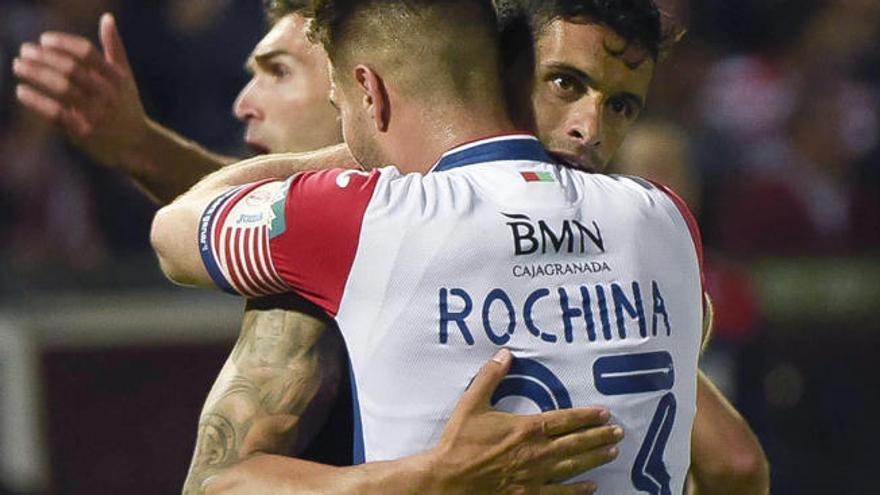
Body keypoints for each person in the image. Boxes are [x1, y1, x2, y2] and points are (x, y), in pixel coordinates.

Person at [12, 0, 769, 493]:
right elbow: (736, 462)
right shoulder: (659, 226)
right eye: (563, 84)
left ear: (363, 89)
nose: (589, 130)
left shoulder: (336, 253)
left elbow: (216, 484)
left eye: (281, 69)